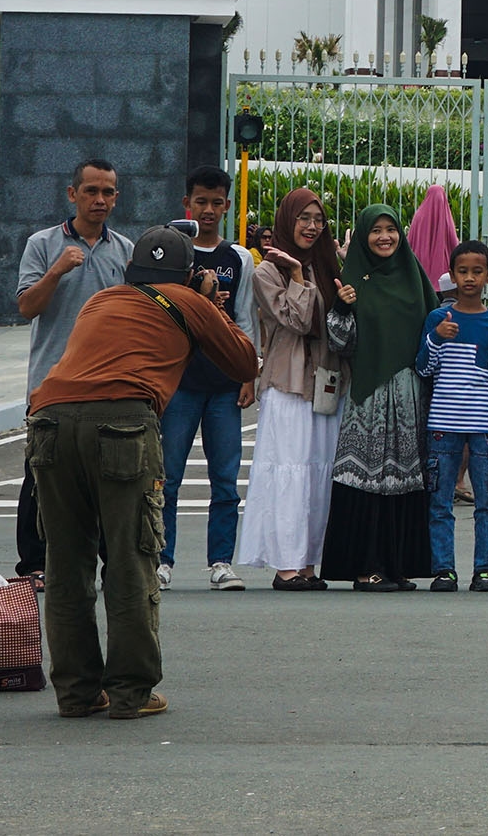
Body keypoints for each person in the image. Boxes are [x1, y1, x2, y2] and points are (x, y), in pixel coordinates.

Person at [27, 223, 257, 719]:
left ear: (132, 270)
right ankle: (131, 692)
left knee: (66, 565)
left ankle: (77, 693)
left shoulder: (104, 298)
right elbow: (244, 362)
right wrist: (211, 303)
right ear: (187, 274)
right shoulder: (188, 300)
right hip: (123, 423)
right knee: (131, 559)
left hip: (49, 419)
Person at [13, 158, 134, 582]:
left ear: (117, 197)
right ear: (72, 194)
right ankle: (33, 565)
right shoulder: (43, 244)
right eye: (91, 191)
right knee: (41, 478)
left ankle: (112, 569)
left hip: (105, 384)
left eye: (108, 192)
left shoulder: (124, 250)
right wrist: (58, 270)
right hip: (52, 383)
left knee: (106, 480)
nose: (100, 200)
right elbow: (27, 306)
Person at [323, 204, 435, 591]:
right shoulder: (354, 279)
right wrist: (342, 307)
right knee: (368, 479)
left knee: (404, 480)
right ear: (364, 235)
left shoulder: (415, 278)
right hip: (368, 396)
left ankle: (396, 565)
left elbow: (433, 332)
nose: (384, 237)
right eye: (375, 230)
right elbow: (340, 343)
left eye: (391, 229)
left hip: (409, 394)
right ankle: (365, 567)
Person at [234, 187, 342, 589]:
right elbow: (297, 320)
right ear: (287, 221)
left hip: (327, 382)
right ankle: (286, 565)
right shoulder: (268, 272)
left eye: (318, 220)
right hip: (288, 382)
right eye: (304, 219)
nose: (312, 227)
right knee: (289, 472)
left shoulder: (329, 265)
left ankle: (309, 562)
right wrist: (297, 276)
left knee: (318, 473)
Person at [158, 167, 254, 592]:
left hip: (223, 383)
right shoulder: (171, 253)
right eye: (201, 202)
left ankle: (221, 562)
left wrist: (249, 372)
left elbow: (246, 319)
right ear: (187, 204)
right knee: (167, 477)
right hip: (179, 381)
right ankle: (161, 560)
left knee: (226, 479)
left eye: (217, 203)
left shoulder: (240, 258)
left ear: (228, 206)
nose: (210, 210)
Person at [418, 240, 488, 592]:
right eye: (462, 271)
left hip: (484, 427)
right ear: (452, 275)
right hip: (442, 425)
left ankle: (484, 569)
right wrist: (436, 340)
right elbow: (424, 369)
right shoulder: (438, 319)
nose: (469, 278)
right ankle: (444, 569)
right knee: (440, 500)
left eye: (477, 271)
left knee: (487, 502)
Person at [407, 183, 460, 294]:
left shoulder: (419, 216)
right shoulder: (445, 216)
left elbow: (410, 239)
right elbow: (453, 240)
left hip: (420, 262)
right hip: (442, 264)